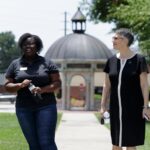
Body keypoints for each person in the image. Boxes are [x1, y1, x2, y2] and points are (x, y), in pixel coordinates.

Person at [4, 33, 61, 150]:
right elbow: (7, 86)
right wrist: (20, 85)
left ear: (38, 46)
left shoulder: (47, 63)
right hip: (24, 108)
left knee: (46, 143)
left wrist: (43, 89)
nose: (27, 46)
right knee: (33, 145)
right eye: (24, 44)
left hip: (46, 106)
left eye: (31, 44)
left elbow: (57, 83)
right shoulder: (15, 64)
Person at [100, 28, 150, 150]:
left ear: (125, 40)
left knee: (130, 143)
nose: (113, 40)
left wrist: (145, 107)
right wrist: (103, 106)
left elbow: (144, 85)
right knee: (116, 143)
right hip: (116, 107)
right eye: (113, 38)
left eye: (116, 38)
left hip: (134, 107)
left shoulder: (139, 60)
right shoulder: (111, 61)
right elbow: (106, 85)